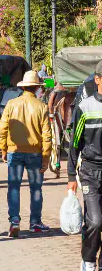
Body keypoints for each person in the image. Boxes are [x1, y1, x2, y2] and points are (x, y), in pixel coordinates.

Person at [0, 70, 52, 238]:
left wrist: (3, 149)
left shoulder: (11, 104)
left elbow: (2, 130)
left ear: (24, 87)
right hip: (35, 153)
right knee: (36, 189)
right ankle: (35, 222)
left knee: (14, 187)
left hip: (15, 151)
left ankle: (14, 221)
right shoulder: (42, 106)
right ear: (36, 88)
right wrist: (46, 157)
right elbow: (47, 135)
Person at [68, 61, 102, 271]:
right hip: (90, 171)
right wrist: (72, 176)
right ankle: (88, 260)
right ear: (97, 79)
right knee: (96, 221)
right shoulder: (85, 107)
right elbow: (74, 143)